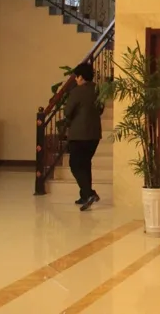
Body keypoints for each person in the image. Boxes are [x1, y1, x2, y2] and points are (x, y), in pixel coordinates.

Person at [64, 62, 103, 211]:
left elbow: (67, 112)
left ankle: (89, 193)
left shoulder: (77, 91)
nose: (75, 79)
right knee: (85, 164)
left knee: (75, 164)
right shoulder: (97, 90)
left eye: (76, 76)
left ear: (81, 77)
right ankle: (84, 195)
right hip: (94, 134)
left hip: (79, 134)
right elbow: (100, 109)